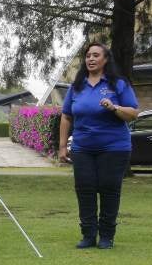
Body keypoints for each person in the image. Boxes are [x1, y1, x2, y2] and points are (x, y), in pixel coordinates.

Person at [58, 43, 138, 249]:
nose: (90, 59)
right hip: (83, 148)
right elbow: (66, 116)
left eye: (96, 55)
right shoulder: (76, 86)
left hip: (114, 147)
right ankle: (88, 235)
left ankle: (106, 236)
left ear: (105, 60)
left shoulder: (118, 84)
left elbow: (133, 113)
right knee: (85, 190)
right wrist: (62, 146)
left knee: (109, 190)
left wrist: (115, 107)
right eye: (87, 56)